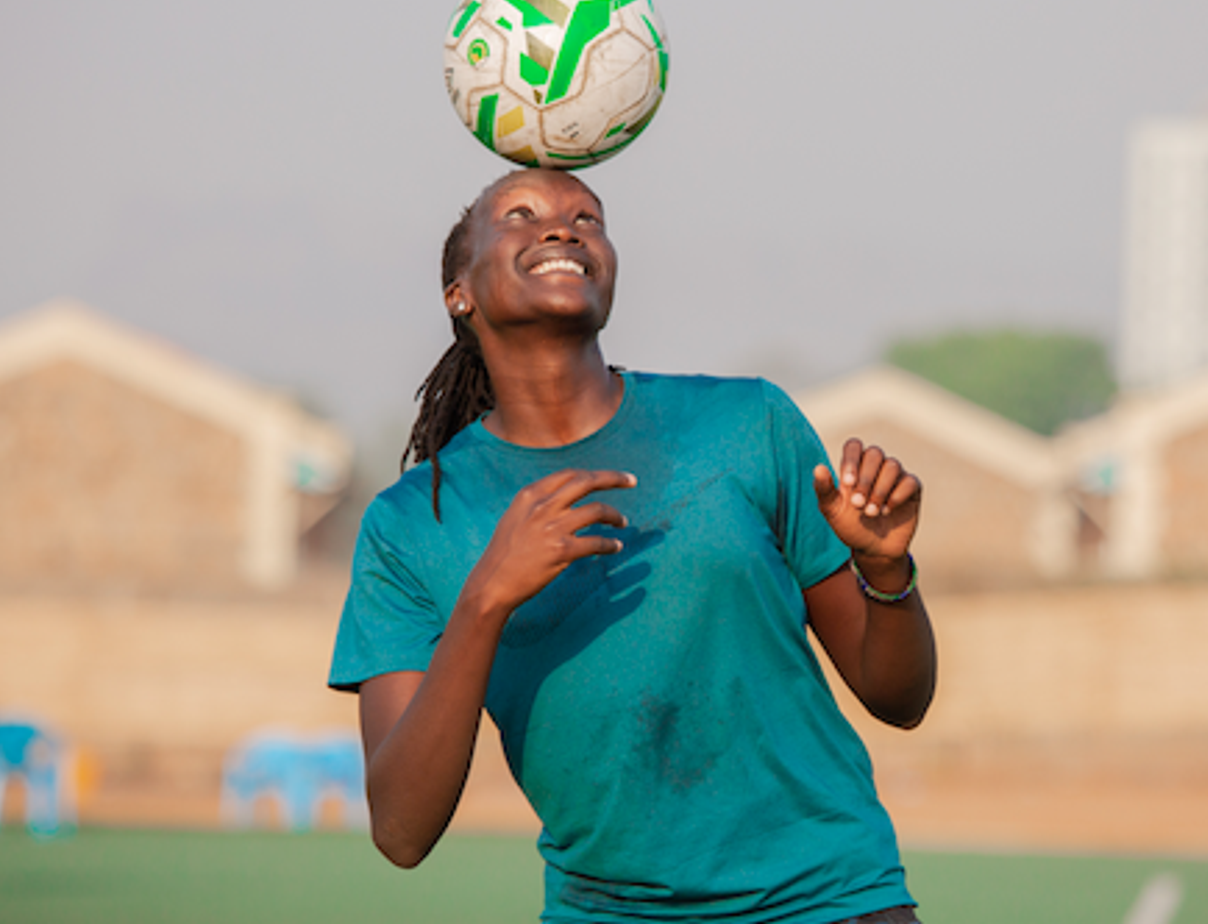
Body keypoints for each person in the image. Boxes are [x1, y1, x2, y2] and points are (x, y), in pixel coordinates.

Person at [329, 168, 937, 924]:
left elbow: (899, 698)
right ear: (460, 292)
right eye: (521, 215)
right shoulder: (412, 524)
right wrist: (486, 600)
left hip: (833, 902)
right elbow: (400, 830)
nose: (563, 227)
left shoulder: (748, 422)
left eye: (589, 216)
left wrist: (886, 572)